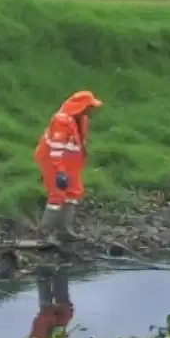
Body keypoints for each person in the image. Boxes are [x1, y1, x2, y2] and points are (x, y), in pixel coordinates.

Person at [34, 91, 103, 242]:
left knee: (74, 192)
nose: (91, 110)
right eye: (89, 107)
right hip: (53, 160)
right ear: (81, 107)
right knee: (57, 194)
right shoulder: (61, 121)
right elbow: (56, 149)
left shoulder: (81, 119)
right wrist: (60, 171)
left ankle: (64, 230)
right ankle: (44, 233)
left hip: (71, 163)